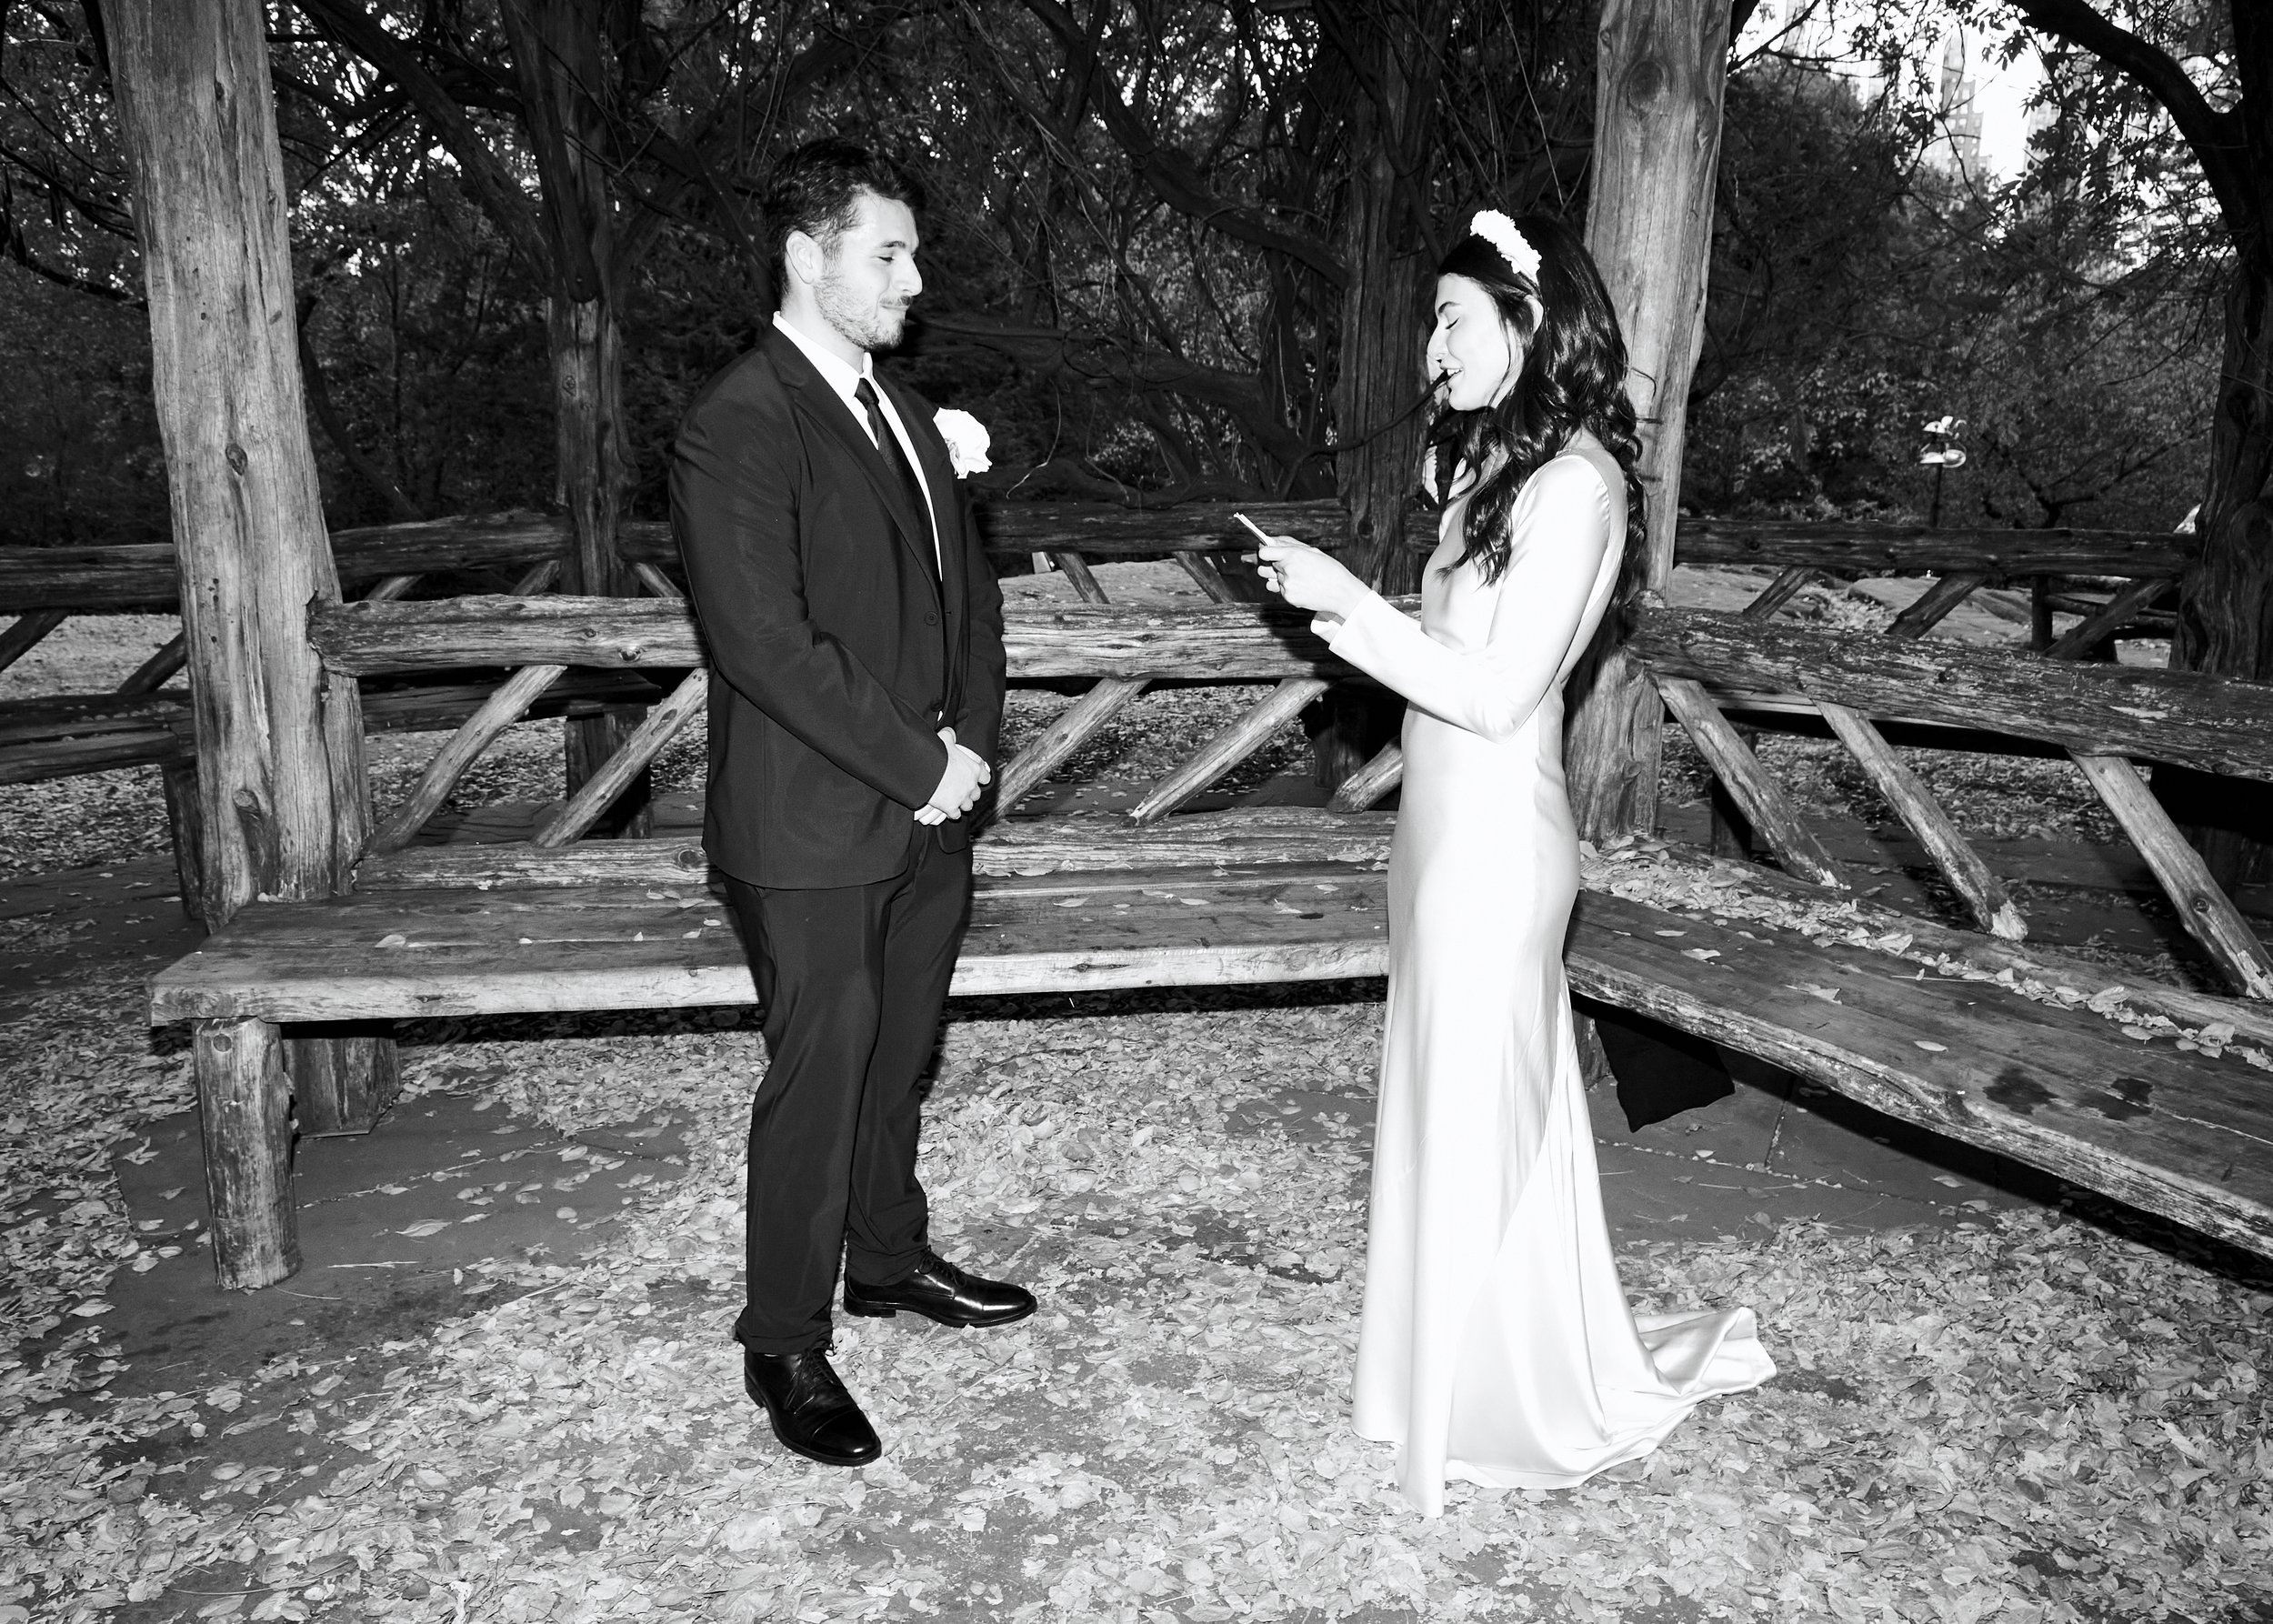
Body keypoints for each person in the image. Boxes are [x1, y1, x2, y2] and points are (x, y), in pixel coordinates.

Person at [1255, 210, 1775, 1516]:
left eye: (1451, 316)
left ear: (1527, 325)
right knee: (1438, 1112)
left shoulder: (1581, 486)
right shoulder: (1488, 478)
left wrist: (1347, 603)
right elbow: (1433, 674)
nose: (1429, 343)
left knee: (1484, 1115)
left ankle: (1495, 1395)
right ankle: (1426, 1377)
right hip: (1433, 838)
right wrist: (1340, 599)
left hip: (1498, 843)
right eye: (1432, 319)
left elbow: (1496, 696)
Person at [671, 136, 1031, 1470]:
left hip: (930, 806)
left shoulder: (899, 408)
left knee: (901, 1051)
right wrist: (917, 760)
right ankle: (783, 1337)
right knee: (820, 1073)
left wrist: (968, 754)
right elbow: (763, 640)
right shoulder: (740, 421)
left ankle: (886, 1258)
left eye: (913, 251)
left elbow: (970, 599)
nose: (914, 277)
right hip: (811, 821)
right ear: (805, 257)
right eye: (889, 252)